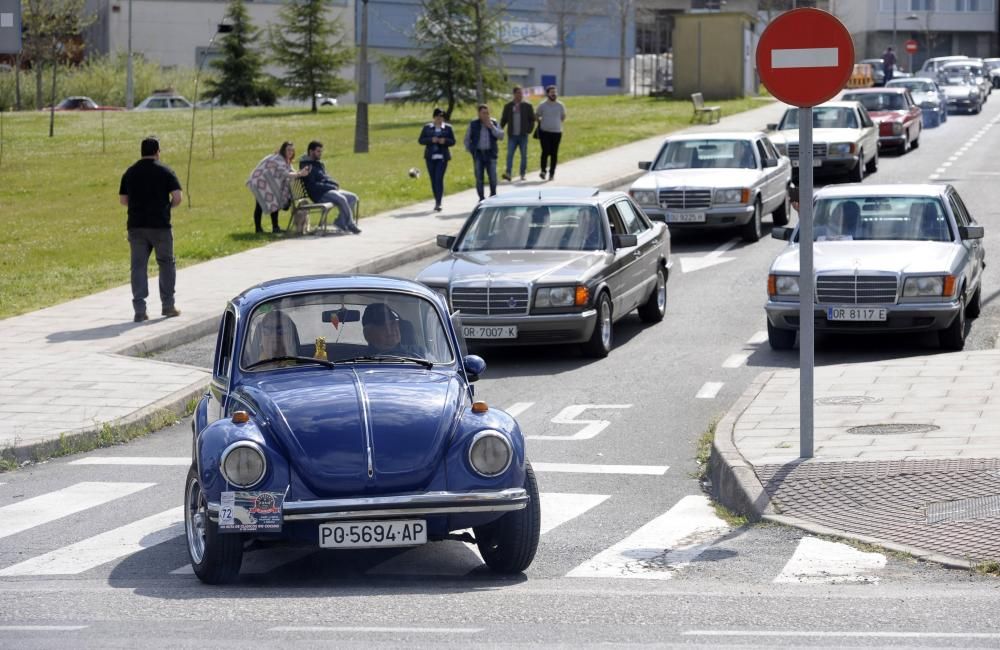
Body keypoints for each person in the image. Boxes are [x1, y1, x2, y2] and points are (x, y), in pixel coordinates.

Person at [118, 136, 182, 323]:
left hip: (136, 226)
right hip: (160, 226)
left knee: (138, 266)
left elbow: (123, 200)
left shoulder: (130, 172)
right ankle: (168, 306)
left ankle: (140, 310)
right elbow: (177, 197)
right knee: (166, 263)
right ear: (157, 152)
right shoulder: (166, 171)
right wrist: (167, 208)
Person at [246, 141, 311, 234]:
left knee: (274, 204)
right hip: (260, 181)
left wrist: (300, 172)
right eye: (288, 150)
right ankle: (259, 229)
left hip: (267, 182)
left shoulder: (285, 161)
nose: (290, 152)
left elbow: (291, 171)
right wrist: (299, 173)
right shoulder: (278, 159)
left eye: (292, 150)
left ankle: (275, 228)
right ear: (283, 150)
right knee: (260, 205)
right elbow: (286, 173)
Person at [299, 141, 362, 234]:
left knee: (353, 197)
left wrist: (333, 183)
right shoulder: (307, 166)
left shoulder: (318, 163)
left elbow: (325, 177)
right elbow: (313, 186)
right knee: (341, 198)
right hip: (319, 194)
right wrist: (330, 186)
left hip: (328, 190)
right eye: (318, 151)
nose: (320, 154)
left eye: (321, 151)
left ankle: (340, 222)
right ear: (311, 151)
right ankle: (350, 224)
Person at [464, 104, 504, 202]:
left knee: (493, 177)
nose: (486, 115)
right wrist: (471, 150)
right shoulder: (473, 124)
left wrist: (491, 127)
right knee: (479, 177)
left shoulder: (493, 122)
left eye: (487, 113)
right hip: (478, 154)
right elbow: (467, 139)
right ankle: (481, 198)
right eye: (483, 113)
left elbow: (501, 136)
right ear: (479, 114)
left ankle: (493, 196)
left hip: (491, 153)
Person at [418, 108, 456, 212]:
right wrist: (431, 140)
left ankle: (438, 203)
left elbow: (453, 141)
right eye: (438, 117)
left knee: (439, 178)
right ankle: (436, 199)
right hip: (430, 157)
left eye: (442, 117)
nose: (440, 119)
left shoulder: (448, 128)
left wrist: (445, 141)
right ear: (434, 117)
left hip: (442, 157)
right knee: (433, 180)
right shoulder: (427, 128)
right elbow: (421, 140)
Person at [499, 86, 535, 182]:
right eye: (518, 93)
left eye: (521, 93)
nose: (520, 95)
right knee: (510, 155)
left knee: (524, 155)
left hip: (523, 135)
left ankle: (522, 174)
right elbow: (504, 120)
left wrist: (529, 130)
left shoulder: (527, 106)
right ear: (514, 94)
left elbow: (532, 119)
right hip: (512, 136)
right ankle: (508, 173)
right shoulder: (508, 106)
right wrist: (499, 130)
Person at [535, 85, 566, 181]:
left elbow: (563, 117)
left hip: (557, 132)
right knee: (545, 151)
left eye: (555, 92)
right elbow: (537, 115)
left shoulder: (560, 105)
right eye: (552, 92)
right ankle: (543, 171)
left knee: (554, 153)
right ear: (547, 94)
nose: (554, 94)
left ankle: (552, 173)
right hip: (545, 132)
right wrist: (541, 122)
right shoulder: (542, 105)